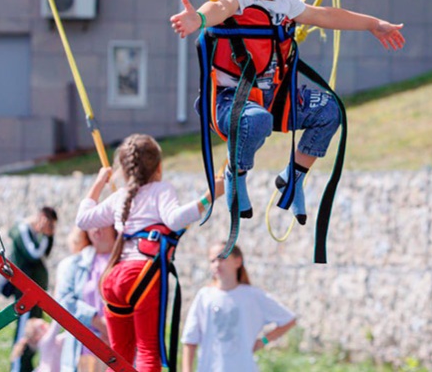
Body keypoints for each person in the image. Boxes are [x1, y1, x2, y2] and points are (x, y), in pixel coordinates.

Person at [169, 0, 405, 227]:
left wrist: (373, 24)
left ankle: (292, 178)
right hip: (228, 102)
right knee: (256, 120)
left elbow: (325, 15)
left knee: (329, 111)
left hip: (273, 97)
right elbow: (218, 9)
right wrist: (198, 19)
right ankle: (235, 174)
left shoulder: (282, 1)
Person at [75, 134, 225, 372]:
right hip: (142, 275)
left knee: (120, 353)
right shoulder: (160, 190)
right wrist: (210, 196)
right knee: (147, 351)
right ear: (159, 167)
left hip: (114, 280)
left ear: (124, 170)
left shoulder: (119, 196)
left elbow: (82, 219)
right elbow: (175, 220)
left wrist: (98, 183)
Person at [181, 243, 297, 372]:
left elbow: (288, 320)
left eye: (222, 258)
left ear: (237, 261)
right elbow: (190, 339)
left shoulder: (253, 296)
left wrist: (262, 341)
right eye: (212, 260)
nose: (217, 264)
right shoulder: (204, 296)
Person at [55, 225, 116, 372]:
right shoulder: (74, 263)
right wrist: (99, 323)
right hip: (83, 351)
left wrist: (114, 332)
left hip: (119, 349)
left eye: (102, 222)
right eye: (91, 224)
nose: (96, 229)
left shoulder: (126, 261)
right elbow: (64, 300)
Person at [9, 206, 59, 372]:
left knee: (34, 334)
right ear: (41, 217)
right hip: (25, 294)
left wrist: (47, 236)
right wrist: (45, 235)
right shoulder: (23, 229)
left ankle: (26, 366)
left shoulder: (37, 234)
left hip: (36, 293)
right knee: (25, 333)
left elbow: (44, 253)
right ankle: (17, 368)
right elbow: (35, 253)